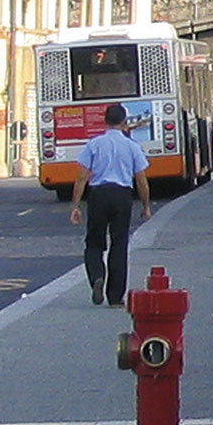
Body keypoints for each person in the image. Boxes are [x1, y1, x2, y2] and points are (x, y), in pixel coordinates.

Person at [69, 101, 153, 306]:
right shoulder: (132, 146)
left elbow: (81, 177)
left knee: (94, 242)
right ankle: (115, 297)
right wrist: (145, 205)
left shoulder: (94, 144)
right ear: (125, 122)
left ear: (104, 122)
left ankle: (96, 275)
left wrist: (76, 206)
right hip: (122, 196)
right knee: (119, 244)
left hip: (98, 195)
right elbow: (141, 179)